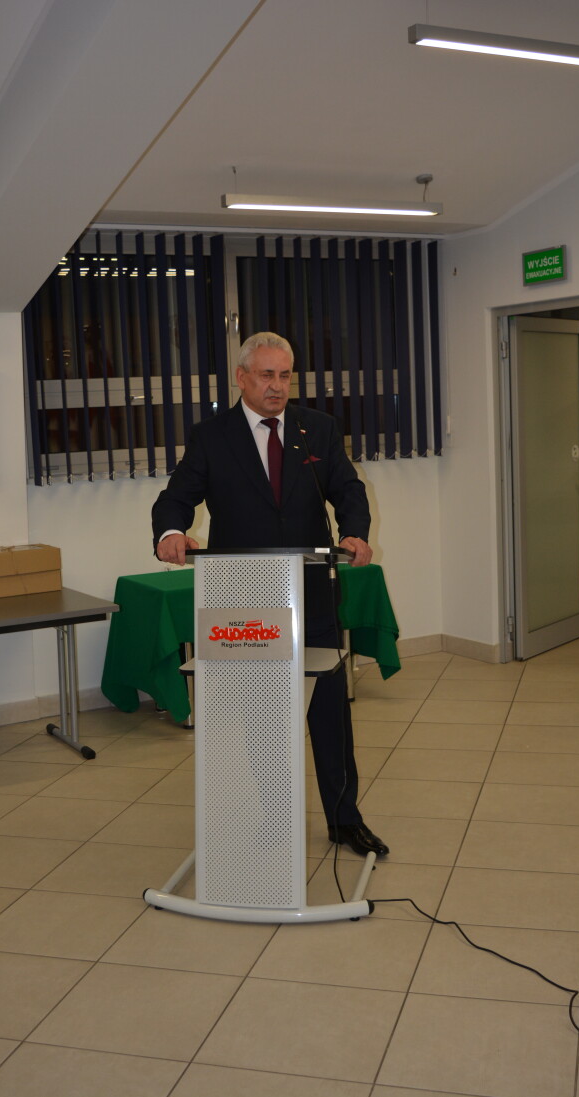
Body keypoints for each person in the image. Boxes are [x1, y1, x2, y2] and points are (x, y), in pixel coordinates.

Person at [152, 331, 388, 857]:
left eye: (284, 376)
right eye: (266, 375)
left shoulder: (317, 428)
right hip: (245, 602)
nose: (277, 386)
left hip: (312, 593)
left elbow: (348, 489)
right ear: (242, 378)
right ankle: (267, 819)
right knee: (258, 719)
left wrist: (354, 532)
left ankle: (345, 819)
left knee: (329, 714)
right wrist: (170, 533)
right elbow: (176, 497)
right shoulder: (212, 436)